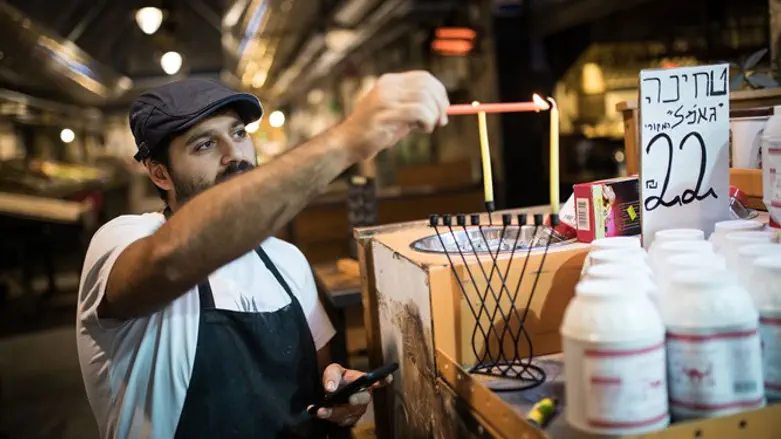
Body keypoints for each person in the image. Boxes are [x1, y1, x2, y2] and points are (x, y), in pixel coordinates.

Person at [75, 71, 450, 439]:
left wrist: (340, 398)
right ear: (160, 174)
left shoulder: (286, 260)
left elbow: (324, 380)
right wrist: (346, 141)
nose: (234, 154)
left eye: (238, 133)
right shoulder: (123, 241)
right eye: (204, 144)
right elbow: (168, 262)